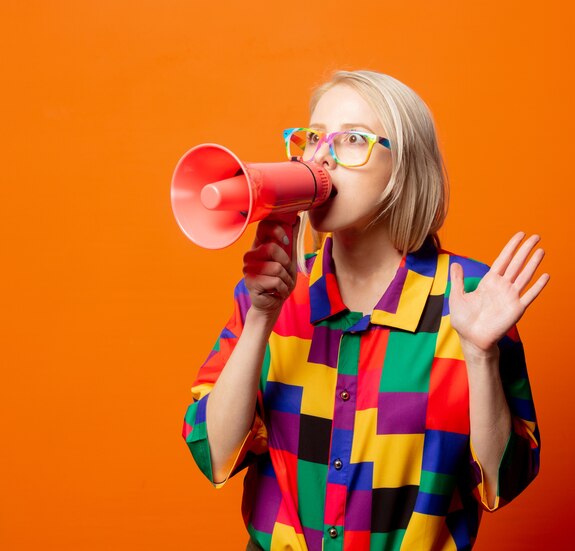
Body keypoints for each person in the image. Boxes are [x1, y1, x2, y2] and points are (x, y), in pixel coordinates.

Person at [182, 70, 548, 551]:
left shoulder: (472, 296)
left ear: (404, 168)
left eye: (351, 139)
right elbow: (214, 454)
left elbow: (504, 480)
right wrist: (259, 321)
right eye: (313, 138)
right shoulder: (269, 292)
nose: (321, 158)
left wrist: (481, 355)